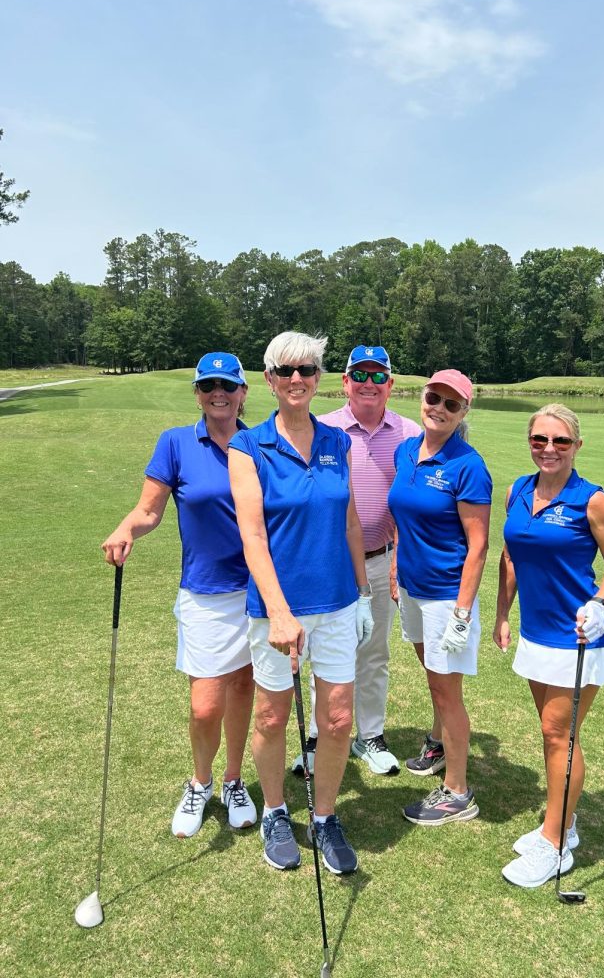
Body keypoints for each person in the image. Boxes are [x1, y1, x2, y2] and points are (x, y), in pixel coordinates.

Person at [228, 331, 373, 874]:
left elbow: (351, 522)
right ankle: (274, 811)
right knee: (271, 718)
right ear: (268, 379)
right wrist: (279, 611)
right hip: (277, 612)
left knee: (336, 719)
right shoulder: (248, 447)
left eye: (307, 370)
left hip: (337, 604)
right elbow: (253, 537)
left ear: (318, 378)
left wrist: (362, 594)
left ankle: (326, 816)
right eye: (286, 370)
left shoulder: (338, 442)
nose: (297, 379)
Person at [101, 352, 257, 838]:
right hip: (205, 592)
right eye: (208, 385)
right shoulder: (176, 443)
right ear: (197, 393)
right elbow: (149, 510)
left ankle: (233, 780)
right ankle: (200, 781)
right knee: (205, 704)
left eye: (227, 386)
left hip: (257, 591)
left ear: (243, 393)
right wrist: (127, 528)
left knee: (244, 688)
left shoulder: (259, 443)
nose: (218, 393)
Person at [493, 403, 604, 887]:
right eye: (539, 439)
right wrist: (502, 613)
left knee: (558, 736)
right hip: (536, 632)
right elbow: (510, 557)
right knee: (552, 734)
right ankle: (563, 824)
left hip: (580, 634)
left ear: (577, 446)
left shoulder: (593, 501)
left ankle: (554, 844)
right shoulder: (517, 489)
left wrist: (600, 604)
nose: (548, 449)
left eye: (560, 441)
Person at [290, 344, 421, 777]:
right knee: (320, 651)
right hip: (327, 562)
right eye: (360, 375)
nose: (369, 383)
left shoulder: (409, 433)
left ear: (390, 384)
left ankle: (370, 735)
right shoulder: (322, 428)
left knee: (373, 653)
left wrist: (402, 552)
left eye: (378, 376)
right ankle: (317, 738)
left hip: (380, 559)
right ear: (345, 382)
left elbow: (414, 501)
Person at [388, 369, 492, 825]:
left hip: (447, 596)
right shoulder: (406, 451)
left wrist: (462, 613)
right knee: (433, 676)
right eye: (434, 398)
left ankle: (457, 792)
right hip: (412, 588)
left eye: (452, 404)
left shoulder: (468, 466)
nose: (440, 409)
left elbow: (479, 545)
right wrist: (396, 566)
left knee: (446, 691)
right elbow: (403, 516)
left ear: (464, 411)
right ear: (423, 397)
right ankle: (438, 742)